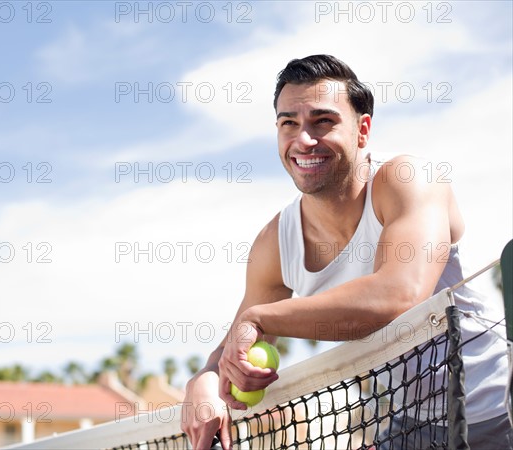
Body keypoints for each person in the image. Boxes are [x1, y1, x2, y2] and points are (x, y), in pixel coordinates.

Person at [180, 54, 510, 449]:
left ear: (362, 130)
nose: (303, 139)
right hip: (408, 422)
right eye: (289, 124)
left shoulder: (408, 180)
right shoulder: (275, 242)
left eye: (323, 121)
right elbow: (233, 345)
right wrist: (203, 380)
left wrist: (259, 318)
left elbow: (398, 294)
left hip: (496, 410)